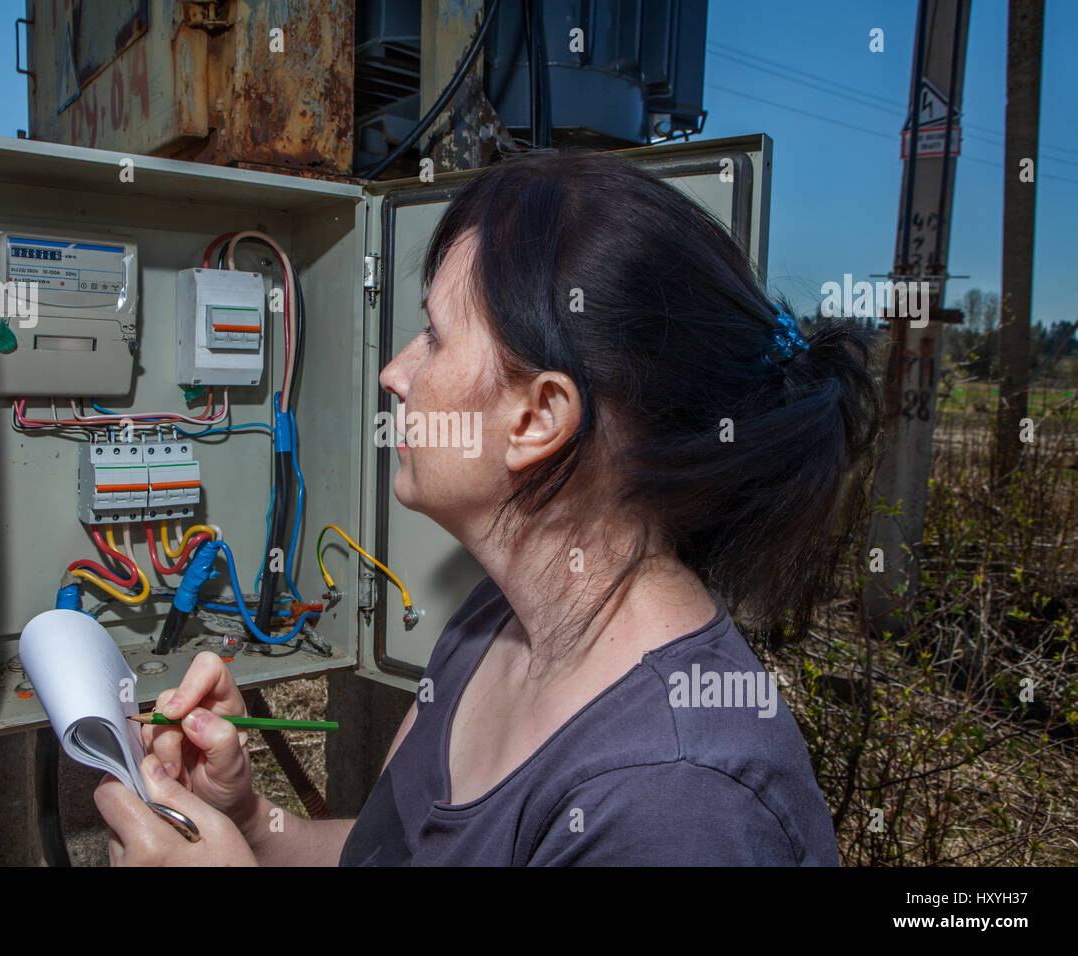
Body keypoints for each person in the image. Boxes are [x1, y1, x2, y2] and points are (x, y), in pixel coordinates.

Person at [94, 149, 879, 866]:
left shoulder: (677, 802)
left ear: (538, 419)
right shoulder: (492, 622)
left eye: (433, 337)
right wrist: (252, 825)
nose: (395, 374)